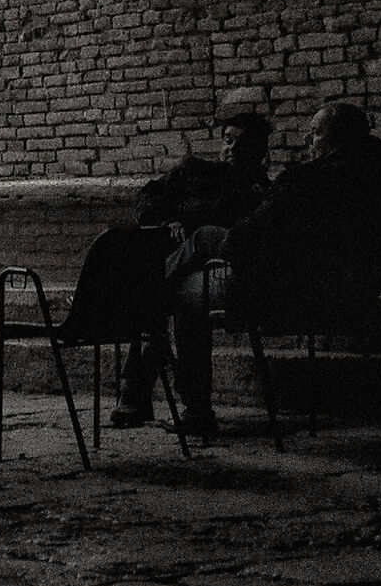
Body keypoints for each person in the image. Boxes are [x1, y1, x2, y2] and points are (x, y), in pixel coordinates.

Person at [164, 99, 381, 438]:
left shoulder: (304, 181)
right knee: (193, 265)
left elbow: (242, 242)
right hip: (353, 299)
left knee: (189, 282)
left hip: (285, 300)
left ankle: (196, 410)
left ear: (339, 140)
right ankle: (147, 294)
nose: (308, 142)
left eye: (315, 134)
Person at [108, 88, 272, 427]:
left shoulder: (259, 193)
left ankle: (136, 393)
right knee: (168, 294)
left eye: (243, 143)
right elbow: (148, 200)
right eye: (228, 140)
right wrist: (169, 222)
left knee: (161, 298)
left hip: (213, 269)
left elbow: (241, 239)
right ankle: (179, 404)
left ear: (260, 151)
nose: (232, 148)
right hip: (174, 263)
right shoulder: (195, 172)